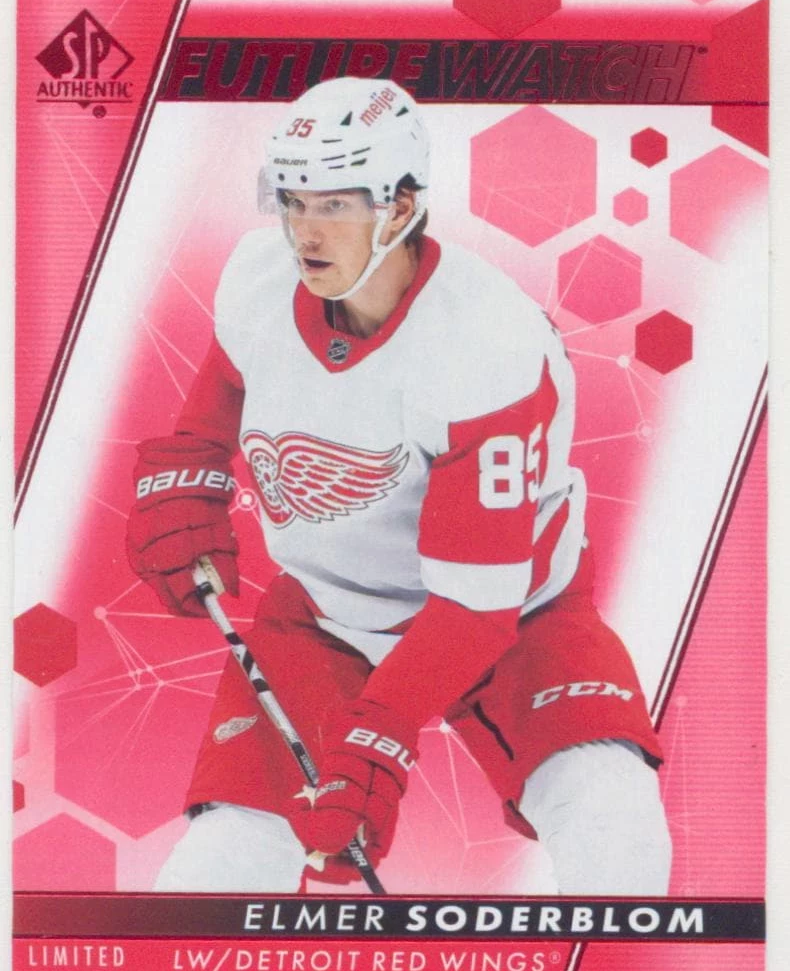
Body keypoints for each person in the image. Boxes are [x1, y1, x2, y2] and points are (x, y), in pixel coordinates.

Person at [127, 77, 672, 895]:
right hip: (327, 616)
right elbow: (213, 410)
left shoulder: (484, 345)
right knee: (214, 868)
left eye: (335, 205)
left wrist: (376, 739)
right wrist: (185, 485)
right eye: (293, 201)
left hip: (517, 615)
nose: (305, 232)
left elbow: (474, 609)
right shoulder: (258, 281)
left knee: (618, 833)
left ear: (401, 206)